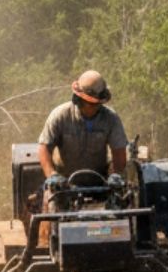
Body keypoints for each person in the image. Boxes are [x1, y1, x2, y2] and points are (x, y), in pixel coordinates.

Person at [38, 70, 128, 203]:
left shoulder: (111, 119)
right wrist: (51, 175)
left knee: (120, 205)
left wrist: (116, 175)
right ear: (78, 99)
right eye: (90, 103)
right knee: (49, 209)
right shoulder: (60, 115)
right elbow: (44, 147)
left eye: (97, 103)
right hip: (63, 185)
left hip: (101, 183)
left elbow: (119, 152)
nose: (94, 106)